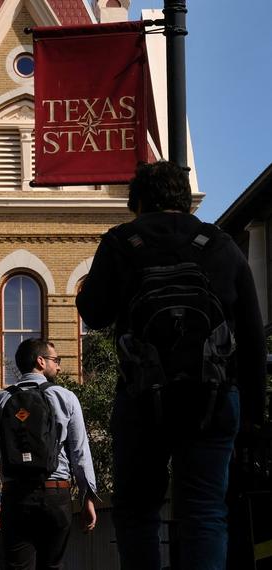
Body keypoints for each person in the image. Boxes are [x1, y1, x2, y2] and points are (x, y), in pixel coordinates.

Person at [76, 160, 266, 570]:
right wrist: (252, 413)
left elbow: (92, 313)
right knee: (205, 511)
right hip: (213, 398)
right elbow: (251, 333)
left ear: (138, 201)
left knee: (138, 509)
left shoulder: (121, 242)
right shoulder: (220, 244)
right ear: (186, 200)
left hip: (143, 398)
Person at [0, 338, 98, 570]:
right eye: (56, 360)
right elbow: (80, 452)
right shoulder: (66, 397)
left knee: (17, 566)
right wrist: (87, 497)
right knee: (53, 564)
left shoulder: (1, 400)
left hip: (16, 496)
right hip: (56, 494)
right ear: (40, 361)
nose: (60, 366)